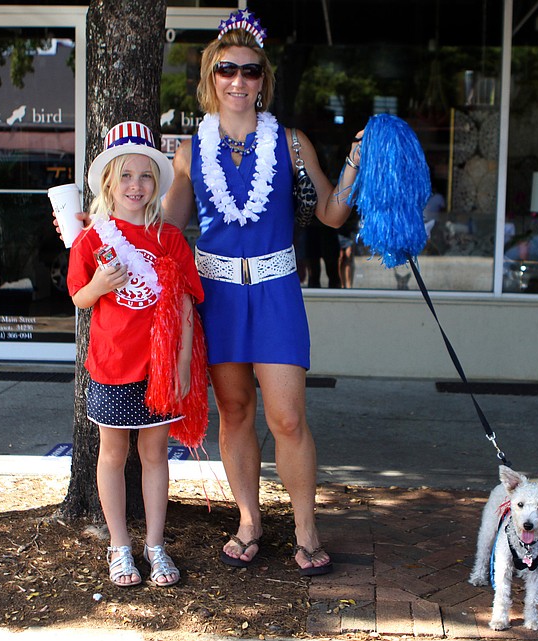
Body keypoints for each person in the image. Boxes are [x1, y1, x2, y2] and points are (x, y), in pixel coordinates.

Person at [161, 9, 361, 575]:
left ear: (262, 80)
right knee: (234, 412)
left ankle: (304, 526)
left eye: (251, 72)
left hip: (275, 291)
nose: (239, 81)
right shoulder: (188, 152)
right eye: (228, 70)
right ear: (211, 76)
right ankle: (248, 519)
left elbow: (330, 211)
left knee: (288, 417)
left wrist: (355, 163)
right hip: (218, 295)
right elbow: (170, 230)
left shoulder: (292, 145)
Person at [66, 122, 205, 588]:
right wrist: (99, 285)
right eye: (125, 176)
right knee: (112, 454)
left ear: (157, 184)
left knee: (154, 454)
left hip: (159, 369)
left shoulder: (168, 238)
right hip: (110, 367)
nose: (135, 186)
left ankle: (156, 546)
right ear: (108, 181)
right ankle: (120, 546)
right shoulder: (94, 238)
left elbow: (185, 302)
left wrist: (183, 363)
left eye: (145, 177)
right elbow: (78, 298)